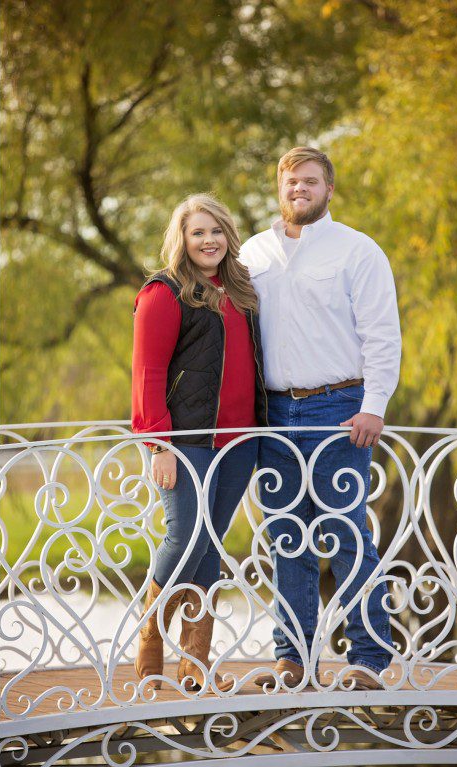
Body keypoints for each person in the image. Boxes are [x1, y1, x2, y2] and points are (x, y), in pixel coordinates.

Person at [239, 146, 400, 691]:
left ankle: (371, 658)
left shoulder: (358, 251)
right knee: (286, 534)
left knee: (347, 530)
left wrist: (373, 405)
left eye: (310, 181)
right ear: (279, 189)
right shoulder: (254, 254)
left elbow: (382, 334)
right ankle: (292, 659)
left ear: (329, 189)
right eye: (290, 182)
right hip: (273, 411)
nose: (299, 189)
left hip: (339, 409)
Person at [131, 194, 267, 693]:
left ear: (228, 236)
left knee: (208, 545)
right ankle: (149, 634)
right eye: (197, 233)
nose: (208, 241)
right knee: (185, 535)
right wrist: (157, 444)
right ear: (182, 241)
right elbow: (147, 374)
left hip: (239, 443)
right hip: (185, 443)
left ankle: (195, 667)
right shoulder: (164, 293)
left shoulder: (243, 292)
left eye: (216, 232)